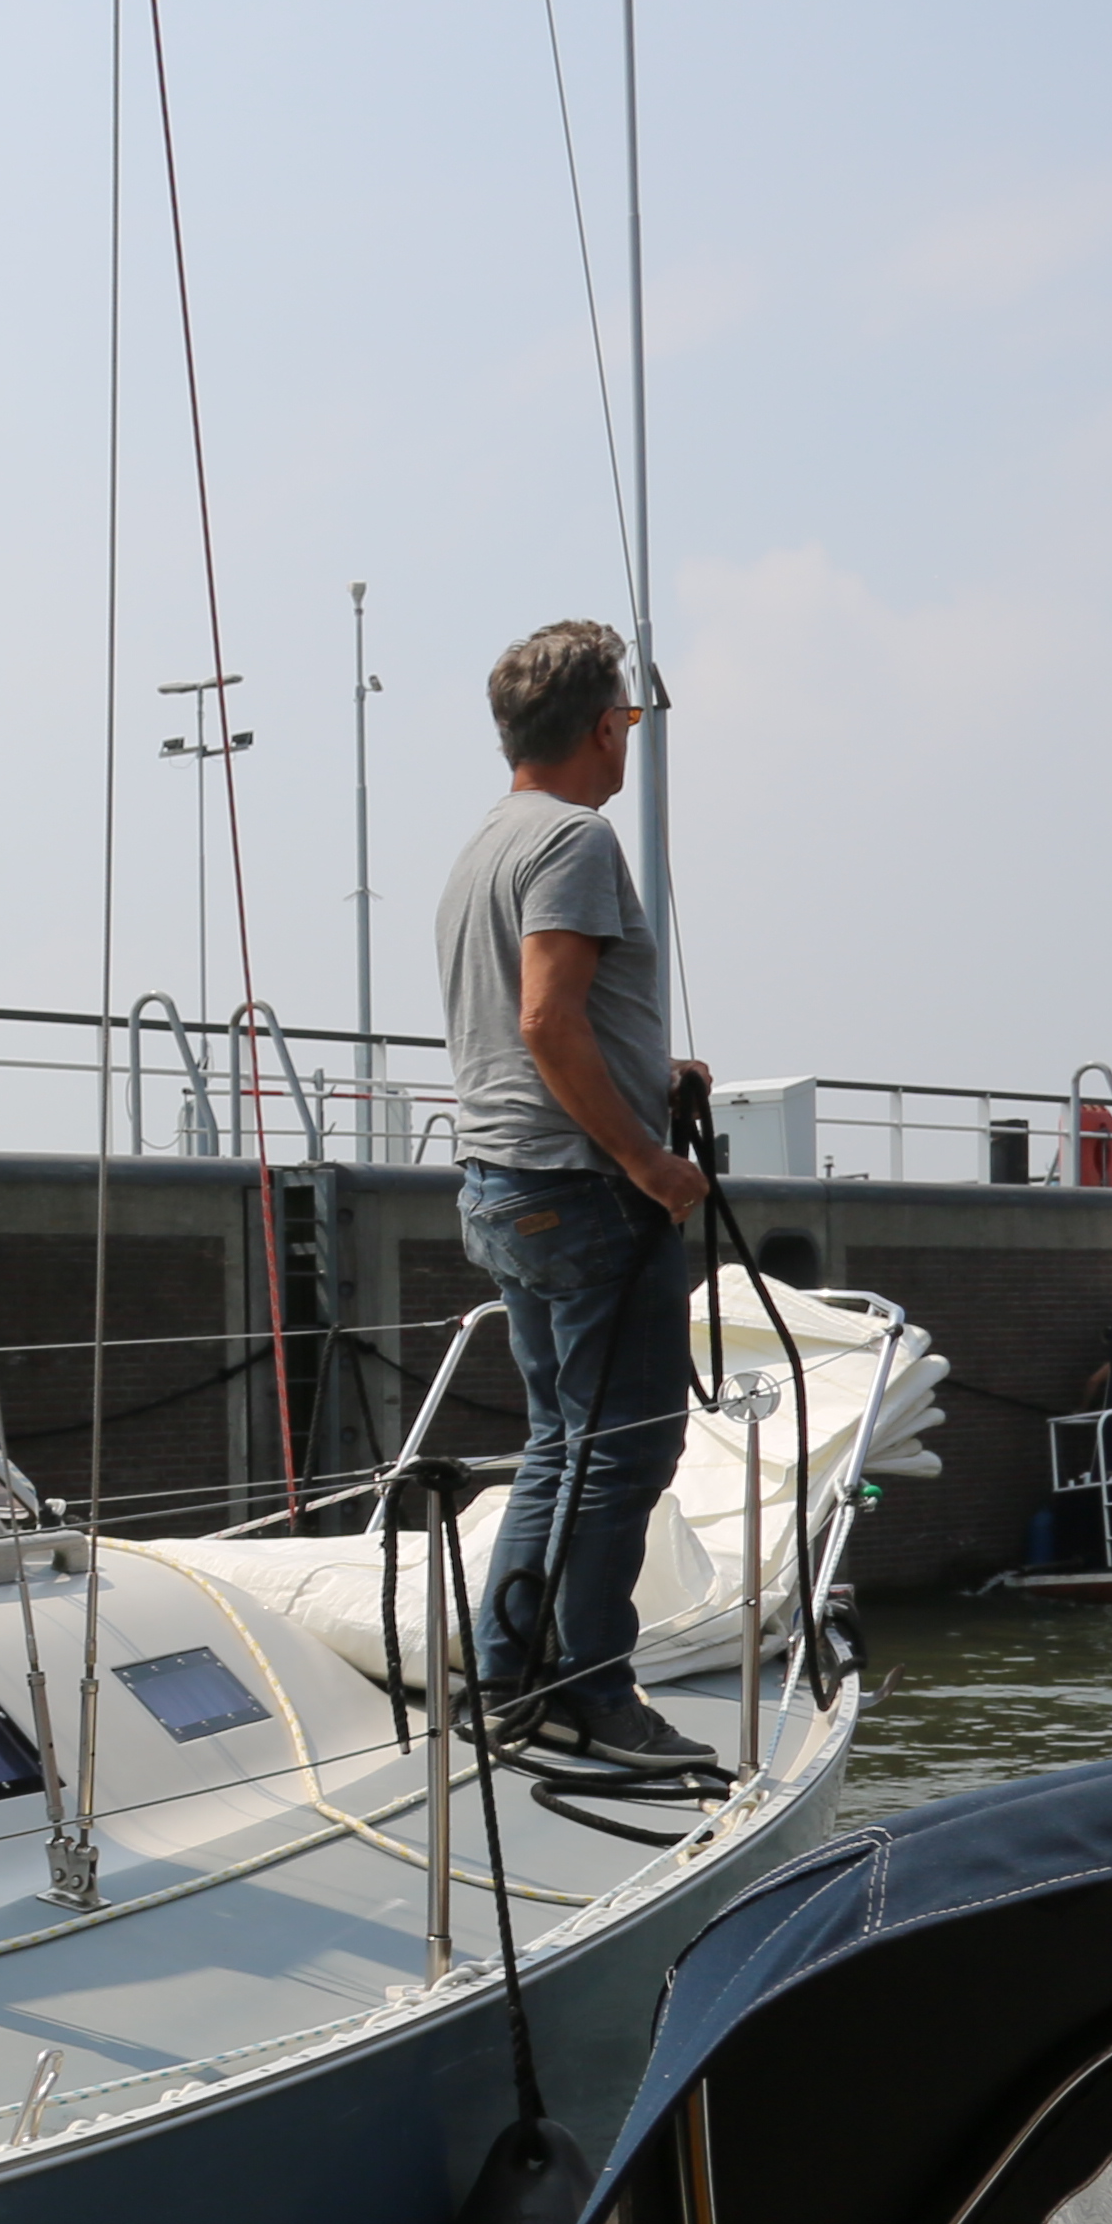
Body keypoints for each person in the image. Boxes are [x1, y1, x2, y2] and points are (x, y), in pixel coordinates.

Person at [435, 619, 716, 1770]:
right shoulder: (575, 841)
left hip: (505, 1183)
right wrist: (649, 1160)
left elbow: (539, 1023)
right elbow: (548, 1021)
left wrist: (652, 1073)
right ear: (605, 726)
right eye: (629, 719)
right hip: (582, 1191)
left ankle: (509, 1680)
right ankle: (594, 1694)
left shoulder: (485, 845)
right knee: (627, 1448)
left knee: (563, 1439)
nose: (629, 739)